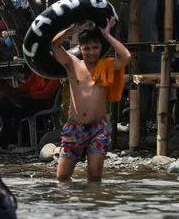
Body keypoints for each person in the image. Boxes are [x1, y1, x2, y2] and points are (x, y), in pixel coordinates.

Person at [52, 19, 130, 184]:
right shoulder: (73, 64)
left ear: (101, 48)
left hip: (98, 129)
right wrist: (71, 29)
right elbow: (55, 46)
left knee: (94, 177)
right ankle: (73, 201)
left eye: (95, 47)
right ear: (80, 48)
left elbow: (126, 56)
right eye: (86, 48)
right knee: (62, 178)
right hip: (74, 127)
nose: (91, 52)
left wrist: (107, 35)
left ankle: (93, 201)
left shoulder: (106, 65)